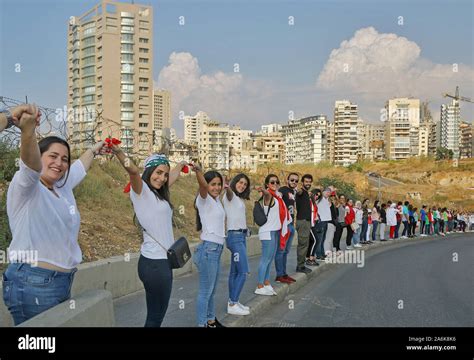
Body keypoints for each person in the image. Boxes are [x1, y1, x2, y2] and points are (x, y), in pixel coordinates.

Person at [3, 105, 107, 325]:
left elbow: (81, 166)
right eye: (52, 156)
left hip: (60, 282)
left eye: (64, 159)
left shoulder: (62, 187)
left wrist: (95, 149)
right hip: (32, 282)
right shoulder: (27, 185)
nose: (59, 163)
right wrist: (27, 131)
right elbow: (30, 165)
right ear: (39, 156)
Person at [112, 144, 187, 327]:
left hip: (158, 262)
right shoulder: (141, 192)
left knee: (155, 315)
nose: (162, 178)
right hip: (155, 264)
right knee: (155, 318)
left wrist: (181, 165)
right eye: (158, 172)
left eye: (165, 174)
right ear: (149, 171)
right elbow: (132, 171)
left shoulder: (157, 192)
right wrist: (118, 152)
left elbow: (173, 176)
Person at [193, 167, 226, 327]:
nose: (217, 187)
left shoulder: (216, 200)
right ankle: (202, 324)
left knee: (211, 290)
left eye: (219, 184)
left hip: (216, 249)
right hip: (209, 250)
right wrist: (199, 172)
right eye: (213, 184)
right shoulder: (203, 199)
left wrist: (225, 182)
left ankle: (211, 320)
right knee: (205, 292)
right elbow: (203, 186)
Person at [255, 174, 290, 296]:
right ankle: (259, 285)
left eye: (276, 182)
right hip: (267, 232)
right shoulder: (269, 197)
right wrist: (264, 190)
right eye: (271, 182)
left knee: (269, 260)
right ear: (267, 184)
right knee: (265, 259)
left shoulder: (278, 198)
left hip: (275, 231)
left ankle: (266, 283)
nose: (274, 184)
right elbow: (267, 194)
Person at [223, 173, 251, 316]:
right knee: (243, 271)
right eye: (240, 182)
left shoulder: (239, 199)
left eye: (245, 184)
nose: (242, 186)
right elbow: (228, 193)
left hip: (241, 236)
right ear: (234, 183)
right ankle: (233, 303)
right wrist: (226, 186)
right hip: (234, 238)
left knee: (235, 272)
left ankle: (233, 301)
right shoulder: (231, 195)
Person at [275, 173, 299, 284]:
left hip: (291, 224)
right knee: (281, 251)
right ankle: (279, 275)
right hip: (284, 225)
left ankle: (284, 274)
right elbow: (277, 196)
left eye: (296, 181)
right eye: (292, 180)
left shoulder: (293, 192)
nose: (294, 182)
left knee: (286, 251)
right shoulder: (284, 190)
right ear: (287, 180)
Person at [295, 174, 313, 274]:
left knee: (305, 244)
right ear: (302, 182)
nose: (308, 183)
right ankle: (300, 266)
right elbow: (299, 192)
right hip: (303, 221)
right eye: (306, 181)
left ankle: (301, 265)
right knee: (303, 245)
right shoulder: (301, 192)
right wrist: (299, 190)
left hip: (306, 221)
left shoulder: (307, 193)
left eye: (309, 182)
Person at [307, 188, 322, 265]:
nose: (316, 197)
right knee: (316, 240)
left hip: (313, 223)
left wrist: (317, 217)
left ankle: (308, 257)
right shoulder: (308, 201)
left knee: (312, 241)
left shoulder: (313, 203)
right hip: (309, 224)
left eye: (318, 196)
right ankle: (311, 257)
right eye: (316, 194)